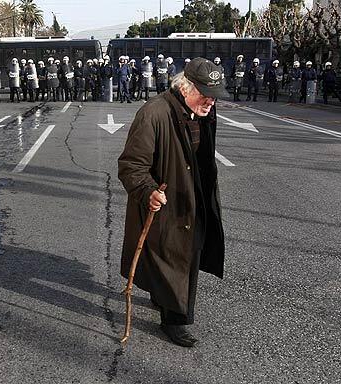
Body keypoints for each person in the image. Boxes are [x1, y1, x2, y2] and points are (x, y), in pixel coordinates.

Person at [118, 57, 226, 348]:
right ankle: (175, 320)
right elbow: (131, 165)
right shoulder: (154, 114)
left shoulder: (202, 111)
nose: (211, 103)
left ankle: (163, 297)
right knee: (177, 255)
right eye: (205, 95)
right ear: (185, 87)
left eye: (215, 97)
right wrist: (148, 190)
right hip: (166, 201)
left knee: (185, 251)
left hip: (194, 196)